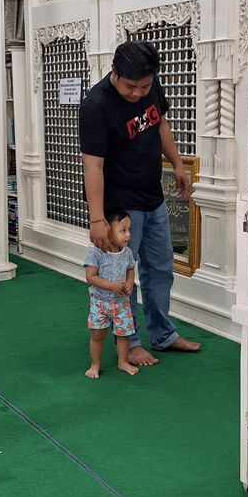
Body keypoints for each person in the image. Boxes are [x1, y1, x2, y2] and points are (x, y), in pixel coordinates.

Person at [79, 39, 202, 366]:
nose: (137, 93)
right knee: (123, 276)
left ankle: (163, 335)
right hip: (120, 205)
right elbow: (93, 165)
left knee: (161, 269)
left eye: (144, 86)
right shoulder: (96, 106)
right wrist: (96, 219)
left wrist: (176, 164)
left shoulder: (151, 86)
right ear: (113, 72)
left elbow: (160, 122)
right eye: (130, 86)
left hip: (153, 196)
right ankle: (130, 342)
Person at [84, 209, 140, 379]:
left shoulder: (127, 252)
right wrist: (111, 286)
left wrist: (130, 282)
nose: (128, 235)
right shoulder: (96, 252)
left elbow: (130, 268)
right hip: (100, 302)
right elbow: (90, 277)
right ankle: (95, 365)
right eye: (123, 230)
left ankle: (122, 361)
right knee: (97, 334)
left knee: (123, 334)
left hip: (121, 303)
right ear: (107, 230)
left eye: (129, 229)